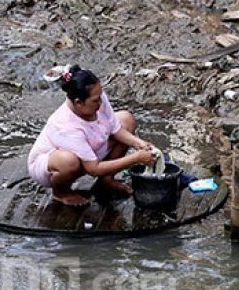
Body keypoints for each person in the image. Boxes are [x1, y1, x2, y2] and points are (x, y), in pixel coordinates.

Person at [27, 65, 156, 206]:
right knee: (68, 161)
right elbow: (93, 169)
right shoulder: (64, 125)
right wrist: (136, 158)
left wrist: (139, 144)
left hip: (89, 147)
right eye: (96, 101)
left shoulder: (95, 96)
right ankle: (60, 193)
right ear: (78, 103)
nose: (101, 103)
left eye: (100, 97)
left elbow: (116, 129)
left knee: (126, 119)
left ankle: (106, 180)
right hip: (53, 165)